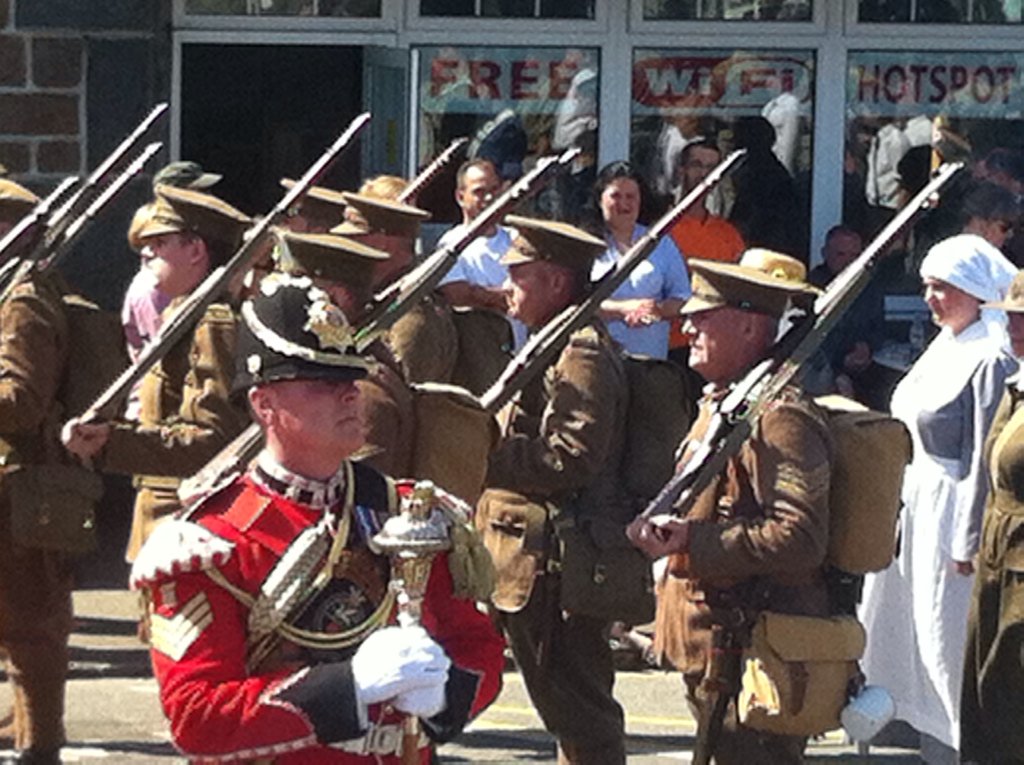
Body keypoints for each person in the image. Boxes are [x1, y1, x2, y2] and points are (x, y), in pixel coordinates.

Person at [128, 273, 504, 762]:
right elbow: (197, 717)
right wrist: (346, 689)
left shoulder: (405, 513)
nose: (349, 394)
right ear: (264, 404)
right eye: (322, 383)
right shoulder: (210, 541)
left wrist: (443, 694)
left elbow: (479, 649)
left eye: (351, 380)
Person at [626, 253, 831, 765]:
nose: (687, 324)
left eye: (704, 313)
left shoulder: (780, 416)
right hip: (714, 647)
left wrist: (694, 542)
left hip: (752, 651)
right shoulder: (727, 403)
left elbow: (799, 537)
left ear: (747, 325)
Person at [859, 233, 1018, 762]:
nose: (931, 299)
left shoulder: (991, 357)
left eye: (942, 288)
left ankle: (961, 740)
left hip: (952, 513)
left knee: (945, 633)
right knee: (908, 630)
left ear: (975, 291)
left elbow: (983, 458)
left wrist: (967, 540)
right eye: (926, 287)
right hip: (916, 507)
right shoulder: (946, 345)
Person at [479, 215, 630, 764]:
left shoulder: (580, 351)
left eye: (520, 276)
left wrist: (482, 452)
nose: (507, 288)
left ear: (557, 283)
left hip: (562, 558)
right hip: (541, 555)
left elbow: (573, 456)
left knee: (580, 711)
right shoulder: (555, 340)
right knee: (570, 712)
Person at [62, 184, 252, 562]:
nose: (146, 252)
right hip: (161, 516)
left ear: (196, 250)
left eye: (160, 242)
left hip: (185, 520)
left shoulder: (210, 326)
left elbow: (213, 441)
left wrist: (112, 443)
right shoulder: (182, 316)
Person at [0, 178, 79, 763]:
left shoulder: (23, 300)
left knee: (32, 630)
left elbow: (22, 400)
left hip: (21, 486)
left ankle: (40, 749)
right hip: (15, 482)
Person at [960, 269, 1024, 763]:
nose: (1015, 326)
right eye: (1012, 316)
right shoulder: (1016, 385)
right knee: (987, 707)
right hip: (997, 568)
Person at [436, 158, 522, 393]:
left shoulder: (517, 239)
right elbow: (459, 295)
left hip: (522, 357)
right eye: (479, 192)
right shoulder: (451, 243)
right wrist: (508, 296)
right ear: (460, 196)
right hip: (476, 364)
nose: (488, 198)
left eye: (494, 190)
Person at [590, 161, 691, 359]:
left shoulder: (661, 243)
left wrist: (656, 309)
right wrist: (622, 309)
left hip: (651, 362)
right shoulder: (585, 243)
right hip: (599, 361)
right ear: (600, 199)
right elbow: (574, 303)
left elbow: (682, 298)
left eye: (631, 196)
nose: (624, 204)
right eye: (615, 196)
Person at [667, 139, 745, 357]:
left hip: (715, 348)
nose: (704, 174)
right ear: (682, 170)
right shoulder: (661, 229)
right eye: (697, 165)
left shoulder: (728, 233)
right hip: (669, 345)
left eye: (712, 168)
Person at [807, 225, 887, 406]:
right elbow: (809, 341)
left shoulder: (868, 286)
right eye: (841, 254)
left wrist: (867, 346)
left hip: (864, 365)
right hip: (824, 369)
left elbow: (879, 327)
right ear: (825, 253)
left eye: (855, 256)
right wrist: (840, 365)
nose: (848, 262)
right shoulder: (812, 290)